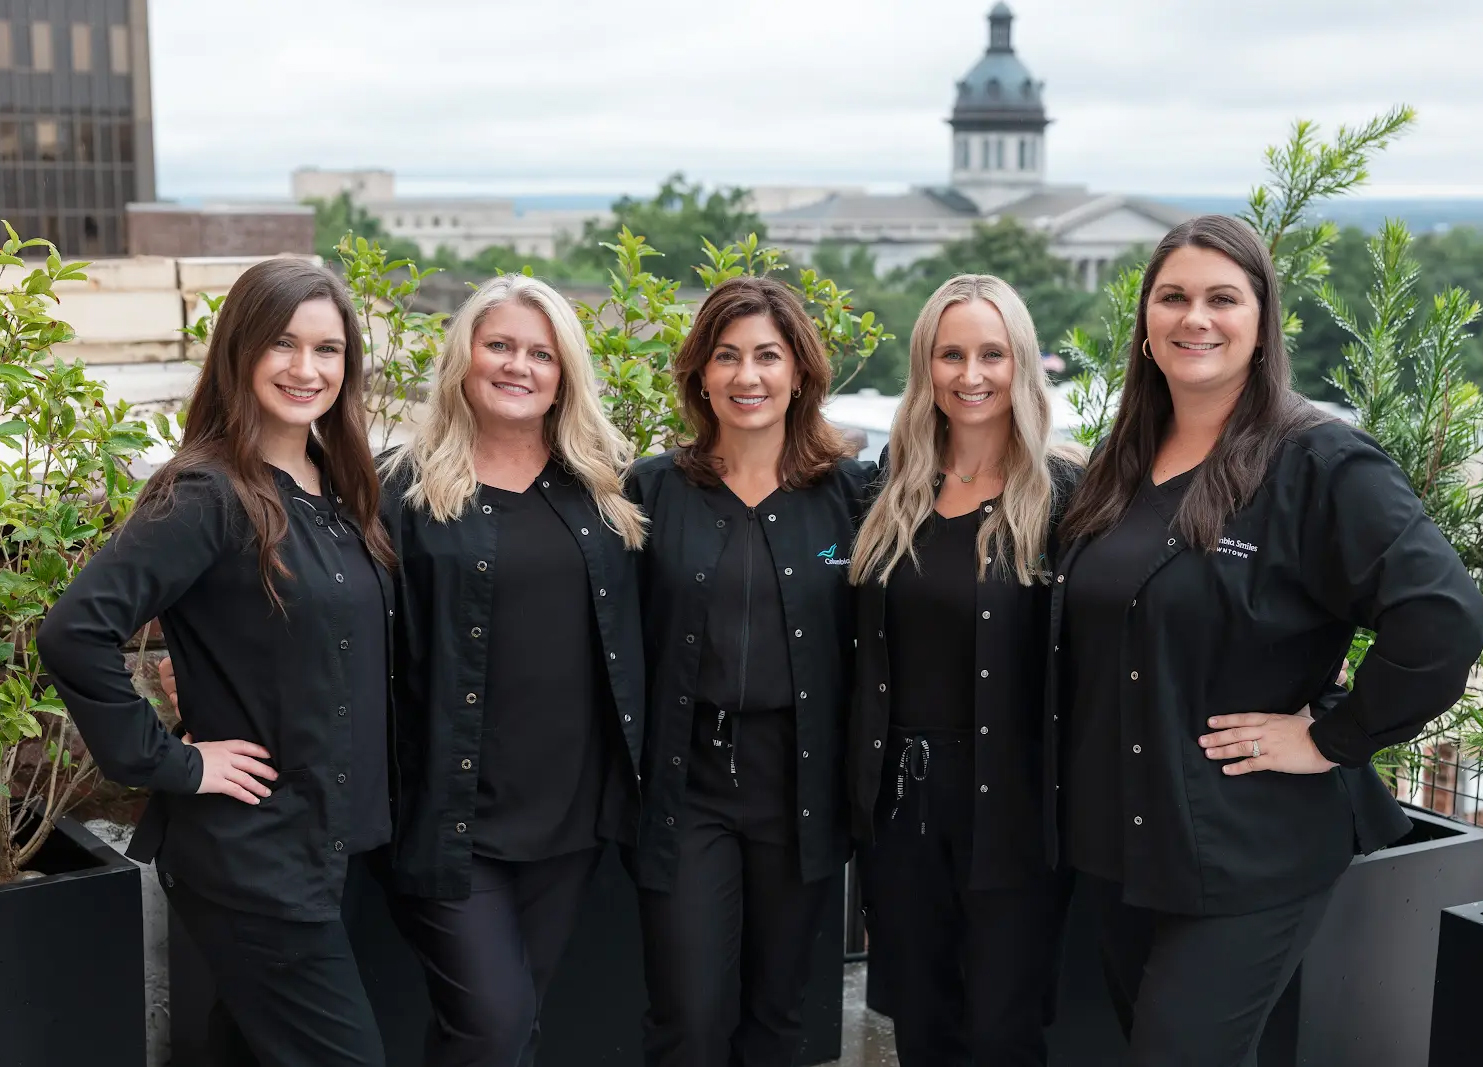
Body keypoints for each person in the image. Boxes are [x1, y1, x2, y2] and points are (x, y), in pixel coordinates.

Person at [1051, 214, 1483, 1065]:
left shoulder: (1320, 462)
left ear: (1260, 323)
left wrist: (1331, 736)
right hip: (1119, 840)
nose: (1193, 318)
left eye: (1222, 298)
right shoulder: (1121, 461)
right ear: (1144, 323)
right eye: (1171, 297)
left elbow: (1442, 616)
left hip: (1247, 843)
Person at [39, 258, 397, 1067]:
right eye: (282, 343)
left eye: (329, 349)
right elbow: (75, 631)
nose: (307, 369)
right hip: (253, 862)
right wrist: (172, 761)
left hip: (331, 851)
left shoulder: (336, 486)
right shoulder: (206, 492)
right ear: (239, 350)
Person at [378, 274, 648, 1067]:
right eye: (499, 345)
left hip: (568, 820)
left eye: (541, 353)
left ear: (565, 374)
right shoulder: (404, 489)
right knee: (494, 1024)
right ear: (463, 357)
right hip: (451, 820)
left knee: (504, 1023)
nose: (518, 365)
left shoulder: (606, 491)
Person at [627, 275, 872, 1067]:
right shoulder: (653, 487)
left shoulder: (849, 495)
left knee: (777, 1019)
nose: (747, 376)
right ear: (701, 372)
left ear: (799, 371)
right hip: (686, 782)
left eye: (767, 355)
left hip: (798, 784)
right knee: (689, 1018)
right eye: (726, 356)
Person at [846, 275, 1078, 1066]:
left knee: (1001, 1028)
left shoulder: (1065, 495)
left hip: (1015, 801)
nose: (970, 374)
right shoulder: (888, 489)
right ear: (926, 366)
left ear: (1021, 364)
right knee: (922, 1021)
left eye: (991, 353)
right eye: (951, 354)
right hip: (904, 803)